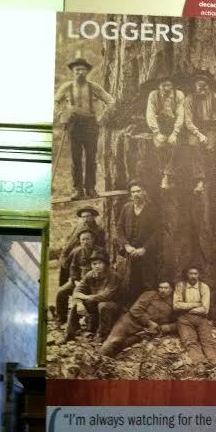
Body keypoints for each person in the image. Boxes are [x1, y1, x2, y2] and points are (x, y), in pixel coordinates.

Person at [54, 56, 115, 200]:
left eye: (82, 69)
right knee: (76, 158)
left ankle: (91, 189)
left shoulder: (94, 87)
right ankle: (77, 190)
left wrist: (103, 118)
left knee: (91, 158)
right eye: (77, 70)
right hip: (73, 124)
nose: (80, 72)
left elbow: (111, 101)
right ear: (72, 72)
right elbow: (56, 102)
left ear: (87, 71)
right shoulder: (66, 87)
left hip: (90, 124)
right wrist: (62, 116)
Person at [183, 71, 216, 193]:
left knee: (210, 148)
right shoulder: (189, 99)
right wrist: (199, 134)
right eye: (199, 86)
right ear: (195, 86)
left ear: (208, 86)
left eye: (205, 86)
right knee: (193, 145)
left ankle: (210, 181)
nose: (202, 89)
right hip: (195, 128)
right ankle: (199, 180)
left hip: (211, 128)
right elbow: (188, 122)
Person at [100, 279, 176, 358]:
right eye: (161, 287)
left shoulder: (173, 302)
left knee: (124, 346)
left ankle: (109, 364)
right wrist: (150, 322)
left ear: (171, 289)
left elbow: (178, 320)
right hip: (129, 322)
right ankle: (97, 359)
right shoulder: (149, 295)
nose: (163, 290)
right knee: (112, 341)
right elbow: (135, 310)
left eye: (166, 288)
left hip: (144, 330)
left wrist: (166, 328)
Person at [116, 179, 160, 307]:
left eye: (138, 191)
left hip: (147, 254)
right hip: (129, 253)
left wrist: (144, 249)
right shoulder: (127, 207)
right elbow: (119, 227)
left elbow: (157, 233)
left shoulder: (153, 209)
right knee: (129, 282)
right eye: (133, 192)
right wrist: (126, 245)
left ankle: (148, 311)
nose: (135, 194)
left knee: (147, 282)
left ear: (144, 192)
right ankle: (131, 312)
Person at [64, 251, 122, 343]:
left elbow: (106, 296)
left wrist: (86, 297)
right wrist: (79, 303)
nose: (96, 266)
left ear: (106, 264)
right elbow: (77, 290)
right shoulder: (90, 275)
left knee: (103, 305)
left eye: (100, 263)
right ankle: (70, 333)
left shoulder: (113, 276)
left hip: (113, 305)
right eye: (94, 264)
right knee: (76, 305)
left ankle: (102, 334)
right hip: (95, 303)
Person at [173, 266, 216, 368]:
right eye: (191, 273)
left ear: (199, 275)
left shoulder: (204, 287)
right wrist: (196, 304)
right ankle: (200, 364)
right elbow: (176, 306)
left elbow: (205, 309)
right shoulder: (180, 286)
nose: (193, 276)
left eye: (195, 274)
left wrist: (185, 306)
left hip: (201, 318)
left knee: (207, 340)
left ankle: (215, 362)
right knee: (190, 342)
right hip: (184, 319)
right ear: (187, 274)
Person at [145, 76, 185, 189]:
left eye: (169, 86)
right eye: (163, 86)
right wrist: (157, 133)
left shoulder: (179, 95)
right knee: (159, 146)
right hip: (159, 126)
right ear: (159, 86)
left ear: (172, 86)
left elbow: (181, 114)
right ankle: (165, 175)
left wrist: (175, 133)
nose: (166, 88)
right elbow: (150, 114)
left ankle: (167, 176)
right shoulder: (153, 95)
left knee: (176, 146)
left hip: (174, 125)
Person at [55, 228, 98, 324]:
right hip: (78, 282)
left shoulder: (99, 251)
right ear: (80, 241)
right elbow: (73, 267)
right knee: (61, 292)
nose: (85, 242)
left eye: (88, 239)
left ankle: (82, 321)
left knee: (83, 300)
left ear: (93, 239)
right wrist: (74, 280)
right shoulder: (76, 252)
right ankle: (61, 318)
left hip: (94, 284)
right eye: (83, 239)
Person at [59, 206, 106, 285]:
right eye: (83, 217)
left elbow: (99, 244)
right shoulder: (78, 227)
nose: (85, 219)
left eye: (87, 216)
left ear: (93, 217)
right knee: (65, 268)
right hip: (72, 252)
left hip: (87, 254)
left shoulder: (99, 229)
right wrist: (65, 250)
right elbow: (71, 240)